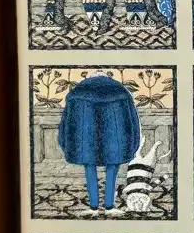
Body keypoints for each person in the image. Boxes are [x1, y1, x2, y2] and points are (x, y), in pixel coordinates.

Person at [58, 75, 140, 210]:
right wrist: (134, 145)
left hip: (86, 144)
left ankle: (93, 206)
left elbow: (65, 125)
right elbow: (133, 122)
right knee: (112, 167)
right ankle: (109, 205)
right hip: (115, 143)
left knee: (89, 167)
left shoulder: (76, 95)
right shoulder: (122, 94)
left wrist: (64, 144)